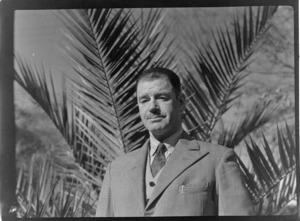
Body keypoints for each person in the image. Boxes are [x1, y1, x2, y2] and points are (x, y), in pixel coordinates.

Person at [96, 67, 255, 216]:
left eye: (162, 97)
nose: (152, 107)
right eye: (144, 100)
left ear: (181, 102)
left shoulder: (218, 160)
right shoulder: (115, 170)